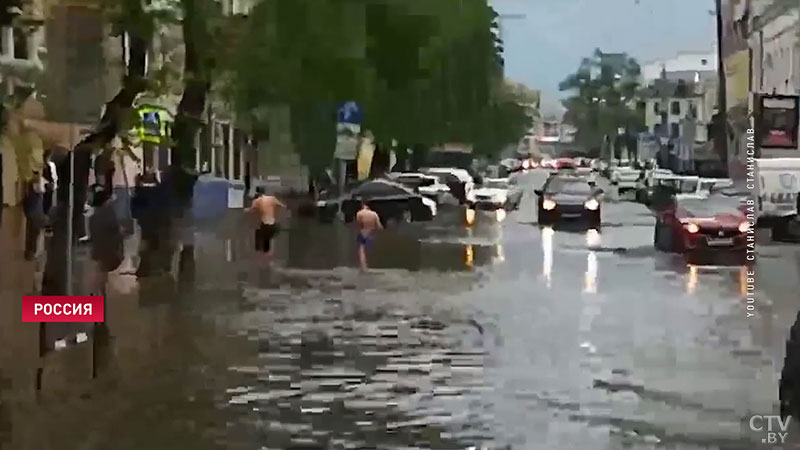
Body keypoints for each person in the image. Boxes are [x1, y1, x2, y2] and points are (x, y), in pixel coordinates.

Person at [87, 184, 123, 296]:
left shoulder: (94, 213)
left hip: (98, 247)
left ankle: (98, 291)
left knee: (100, 270)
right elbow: (115, 226)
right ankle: (96, 292)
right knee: (102, 272)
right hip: (107, 247)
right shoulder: (108, 212)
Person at [246, 187, 286, 260]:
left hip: (263, 222)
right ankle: (268, 254)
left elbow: (251, 210)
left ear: (258, 193)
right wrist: (276, 214)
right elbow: (282, 206)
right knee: (269, 238)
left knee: (261, 237)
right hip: (272, 221)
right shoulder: (272, 198)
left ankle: (261, 254)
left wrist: (245, 210)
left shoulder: (257, 201)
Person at [23, 171, 46, 260]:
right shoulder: (35, 181)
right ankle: (32, 252)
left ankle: (30, 252)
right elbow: (41, 190)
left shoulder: (30, 183)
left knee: (31, 232)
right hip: (35, 211)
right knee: (34, 232)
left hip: (32, 210)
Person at [354, 199, 382, 271]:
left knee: (361, 250)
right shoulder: (374, 214)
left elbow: (359, 225)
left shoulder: (359, 213)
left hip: (363, 232)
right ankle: (370, 266)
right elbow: (379, 226)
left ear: (363, 204)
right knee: (369, 250)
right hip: (371, 233)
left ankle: (364, 267)